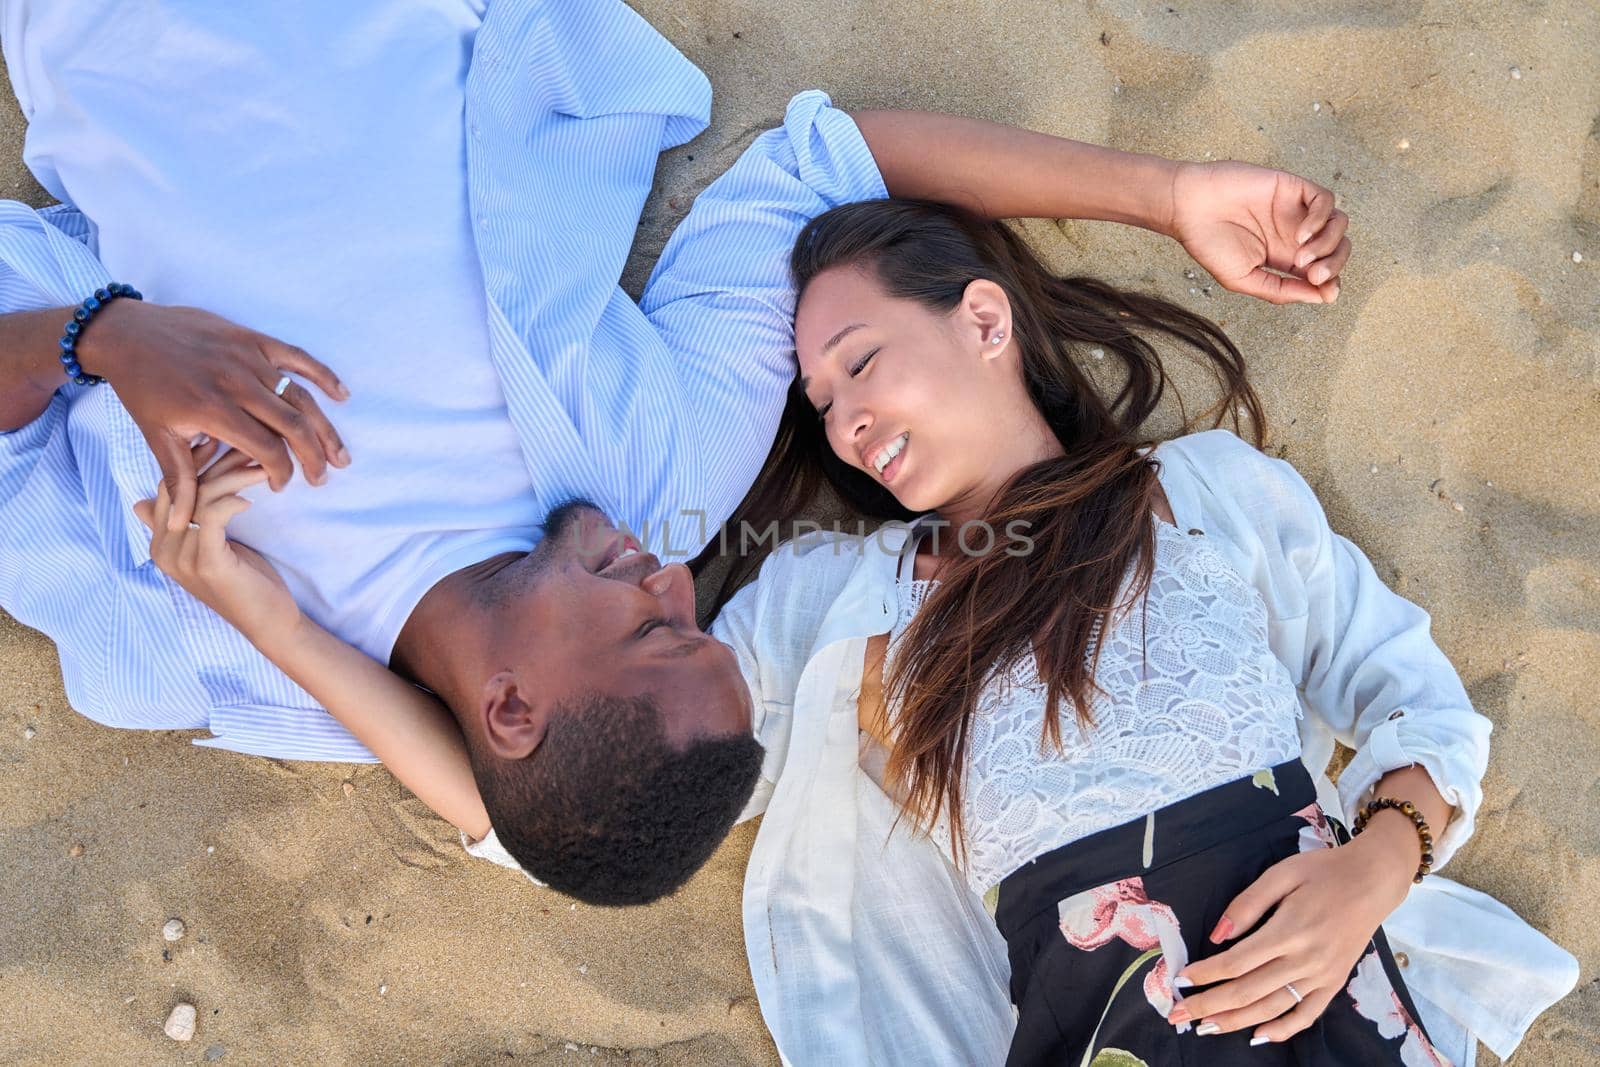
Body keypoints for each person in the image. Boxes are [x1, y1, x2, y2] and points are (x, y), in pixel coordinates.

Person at [0, 1, 1357, 903]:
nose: (675, 580)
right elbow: (834, 166)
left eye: (654, 632)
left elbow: (528, 843)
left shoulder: (228, 613)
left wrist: (102, 341)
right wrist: (1169, 196)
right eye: (696, 620)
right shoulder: (669, 474)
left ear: (513, 714)